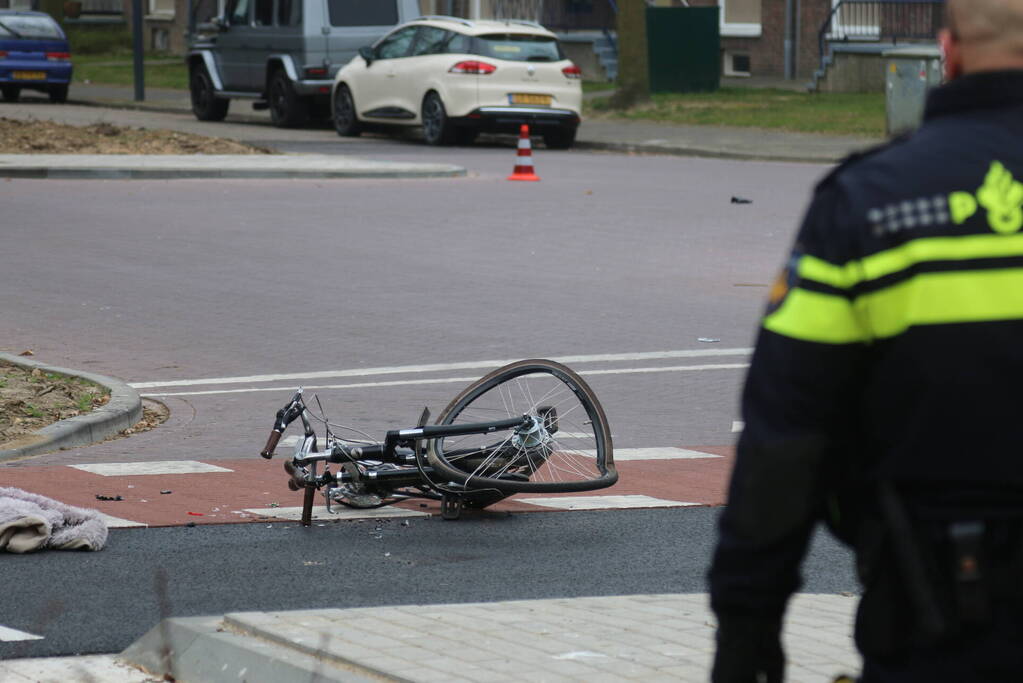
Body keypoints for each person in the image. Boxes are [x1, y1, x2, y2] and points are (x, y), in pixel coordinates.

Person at [708, 0, 1023, 680]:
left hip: (943, 620)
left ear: (949, 53)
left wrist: (747, 624)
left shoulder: (872, 204)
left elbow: (783, 442)